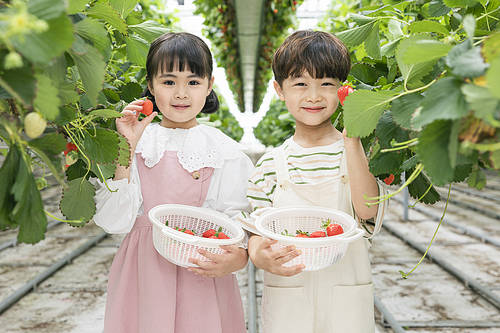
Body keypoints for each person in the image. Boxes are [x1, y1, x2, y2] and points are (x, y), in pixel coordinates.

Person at [93, 32, 252, 333]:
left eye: (193, 82)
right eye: (169, 82)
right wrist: (125, 149)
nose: (181, 93)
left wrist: (235, 256)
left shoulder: (224, 150)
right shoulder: (136, 142)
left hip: (201, 267)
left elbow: (236, 220)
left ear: (209, 86)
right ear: (151, 85)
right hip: (144, 271)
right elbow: (113, 222)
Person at [243, 30, 387, 333]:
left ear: (343, 90)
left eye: (326, 84)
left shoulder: (360, 153)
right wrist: (260, 256)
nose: (313, 95)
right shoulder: (269, 166)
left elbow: (368, 213)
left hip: (347, 305)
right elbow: (255, 234)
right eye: (300, 84)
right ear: (279, 90)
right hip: (288, 303)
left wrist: (352, 143)